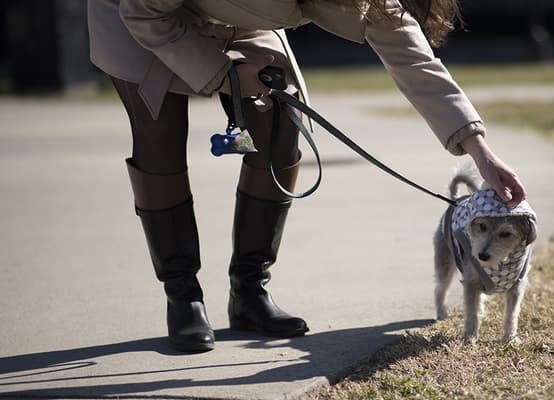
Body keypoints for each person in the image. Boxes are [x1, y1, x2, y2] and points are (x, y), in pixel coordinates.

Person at [87, 0, 528, 352]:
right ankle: (183, 296)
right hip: (142, 15)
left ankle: (249, 293)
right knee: (159, 136)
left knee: (282, 130)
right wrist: (223, 74)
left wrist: (481, 152)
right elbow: (143, 11)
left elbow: (416, 62)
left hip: (239, 15)